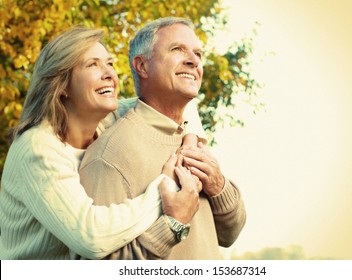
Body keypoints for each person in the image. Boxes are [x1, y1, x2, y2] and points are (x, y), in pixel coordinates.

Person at [0, 26, 205, 260]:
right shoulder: (38, 147)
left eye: (109, 64)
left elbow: (181, 103)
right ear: (61, 85)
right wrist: (164, 189)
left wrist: (189, 144)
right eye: (92, 65)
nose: (109, 74)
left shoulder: (107, 122)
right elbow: (90, 238)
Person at [78, 17, 246, 260]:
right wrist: (173, 225)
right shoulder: (110, 154)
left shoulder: (193, 141)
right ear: (142, 67)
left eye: (198, 53)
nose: (194, 60)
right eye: (177, 49)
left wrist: (219, 187)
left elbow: (230, 234)